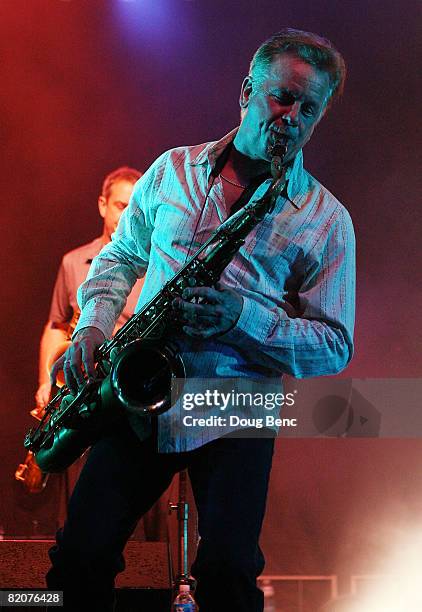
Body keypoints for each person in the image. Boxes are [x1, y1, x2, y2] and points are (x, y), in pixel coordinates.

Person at [47, 29, 355, 612]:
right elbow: (120, 256)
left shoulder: (326, 219)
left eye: (309, 108)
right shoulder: (173, 171)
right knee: (79, 559)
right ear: (247, 91)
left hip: (236, 402)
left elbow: (334, 345)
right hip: (141, 390)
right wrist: (91, 324)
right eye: (282, 97)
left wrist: (243, 319)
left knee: (229, 575)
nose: (292, 116)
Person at [34, 166, 145, 523]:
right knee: (83, 505)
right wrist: (45, 382)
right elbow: (55, 325)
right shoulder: (73, 262)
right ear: (102, 205)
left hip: (132, 395)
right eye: (119, 205)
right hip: (83, 395)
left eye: (134, 207)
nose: (125, 215)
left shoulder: (154, 265)